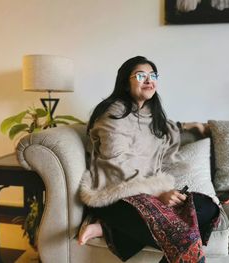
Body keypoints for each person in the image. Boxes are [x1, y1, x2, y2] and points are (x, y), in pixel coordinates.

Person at [77, 56, 219, 263]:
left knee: (207, 208)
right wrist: (159, 194)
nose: (149, 80)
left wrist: (193, 127)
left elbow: (171, 133)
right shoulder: (113, 116)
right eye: (141, 75)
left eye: (153, 76)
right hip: (116, 194)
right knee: (179, 232)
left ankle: (109, 231)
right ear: (126, 83)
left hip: (147, 194)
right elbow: (117, 166)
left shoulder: (155, 117)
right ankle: (109, 223)